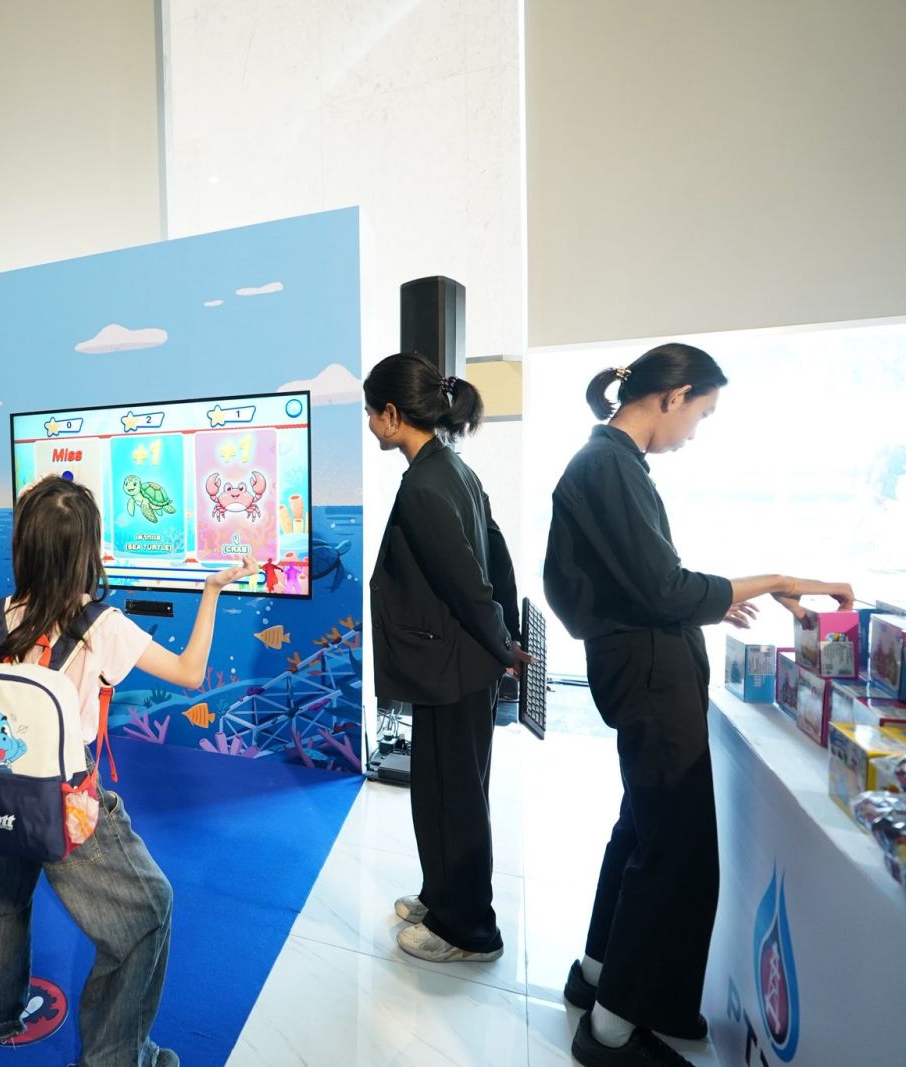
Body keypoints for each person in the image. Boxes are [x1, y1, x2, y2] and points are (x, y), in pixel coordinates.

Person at [545, 343, 853, 1067]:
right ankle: (613, 1029)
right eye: (702, 415)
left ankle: (599, 977)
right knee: (671, 851)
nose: (694, 433)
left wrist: (700, 605)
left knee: (643, 831)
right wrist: (774, 579)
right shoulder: (609, 466)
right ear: (674, 395)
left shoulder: (608, 464)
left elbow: (649, 587)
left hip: (643, 667)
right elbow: (664, 589)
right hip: (651, 676)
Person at [0, 475, 257, 1065]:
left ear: (24, 545)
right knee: (147, 910)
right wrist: (210, 592)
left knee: (0, 892)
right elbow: (189, 672)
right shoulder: (104, 626)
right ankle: (114, 1057)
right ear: (89, 549)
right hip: (65, 790)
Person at [363, 355, 529, 966]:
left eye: (370, 412)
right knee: (441, 791)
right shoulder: (449, 468)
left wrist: (503, 646)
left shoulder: (426, 485)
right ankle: (441, 896)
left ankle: (470, 930)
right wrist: (504, 635)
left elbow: (468, 585)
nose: (369, 424)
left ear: (391, 414)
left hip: (455, 669)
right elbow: (497, 554)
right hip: (455, 666)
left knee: (455, 798)